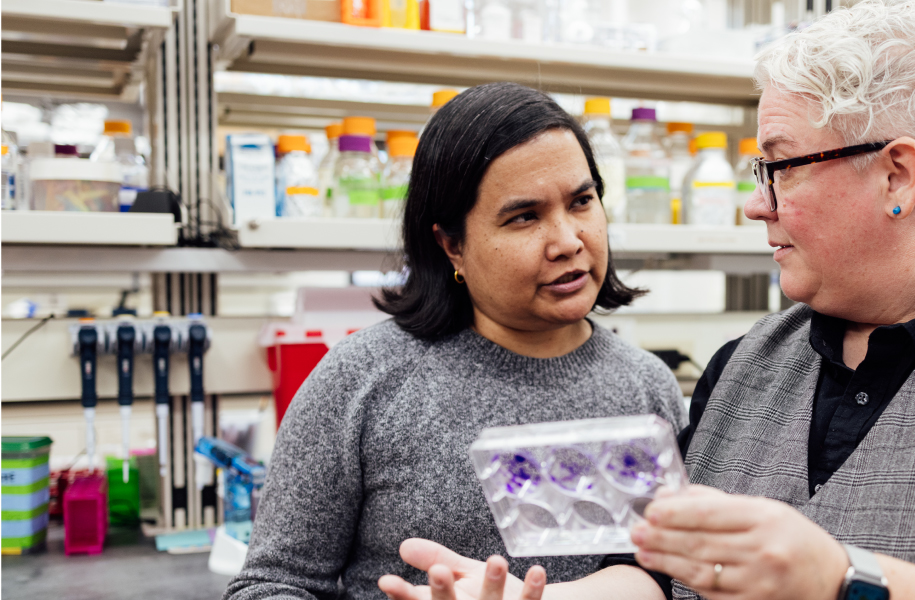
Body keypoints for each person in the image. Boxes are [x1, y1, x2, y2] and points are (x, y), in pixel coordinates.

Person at [378, 2, 915, 599]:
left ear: (898, 174)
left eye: (780, 165)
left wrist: (846, 579)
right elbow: (663, 573)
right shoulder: (749, 367)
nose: (755, 203)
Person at [224, 82, 686, 600]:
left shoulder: (648, 387)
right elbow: (270, 586)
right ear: (451, 245)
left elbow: (679, 575)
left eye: (582, 201)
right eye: (524, 217)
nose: (568, 241)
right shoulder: (361, 380)